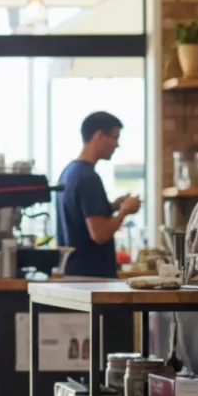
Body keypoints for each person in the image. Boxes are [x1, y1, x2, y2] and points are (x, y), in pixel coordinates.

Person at [55, 111, 141, 279]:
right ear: (99, 135)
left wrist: (113, 206)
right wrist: (124, 212)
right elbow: (99, 234)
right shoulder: (88, 178)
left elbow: (81, 218)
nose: (117, 145)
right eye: (115, 138)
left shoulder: (69, 172)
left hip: (72, 273)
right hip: (91, 278)